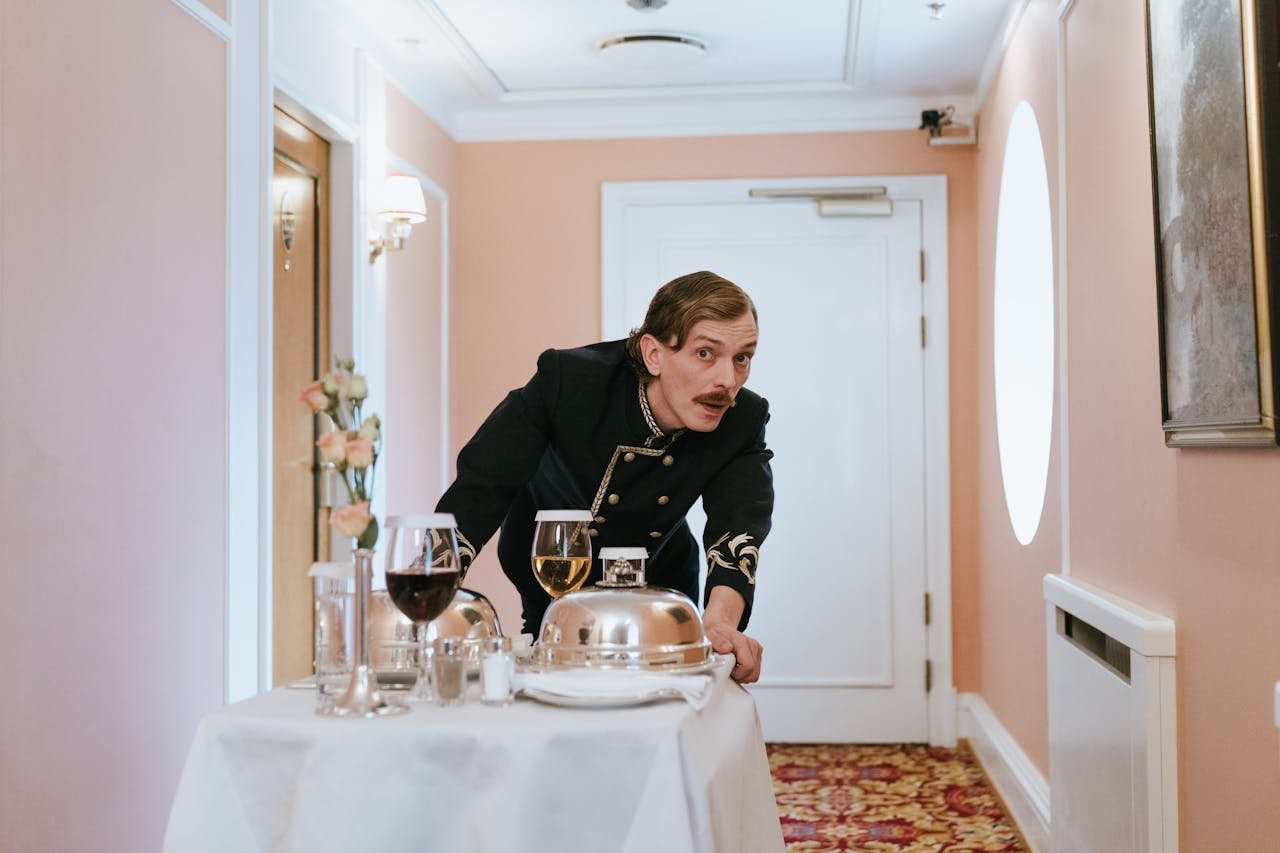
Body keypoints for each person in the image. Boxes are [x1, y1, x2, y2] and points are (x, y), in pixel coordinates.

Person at [435, 270, 773, 683]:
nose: (727, 381)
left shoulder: (744, 418)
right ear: (654, 354)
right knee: (554, 680)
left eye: (743, 357)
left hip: (659, 578)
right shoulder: (570, 381)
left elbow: (739, 524)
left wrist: (720, 622)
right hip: (552, 565)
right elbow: (483, 485)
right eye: (706, 353)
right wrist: (432, 589)